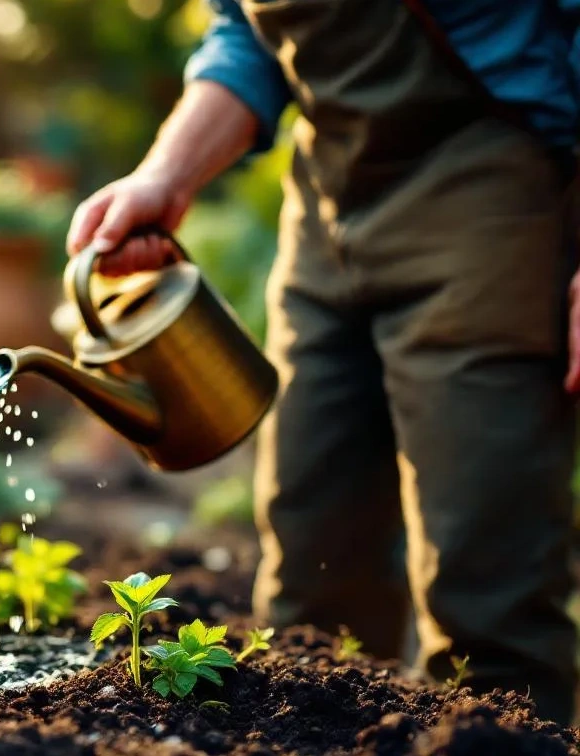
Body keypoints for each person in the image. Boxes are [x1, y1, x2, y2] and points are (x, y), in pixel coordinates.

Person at [67, 0, 580, 723]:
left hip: (490, 199)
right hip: (325, 213)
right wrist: (166, 177)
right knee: (314, 567)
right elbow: (248, 34)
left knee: (489, 579)